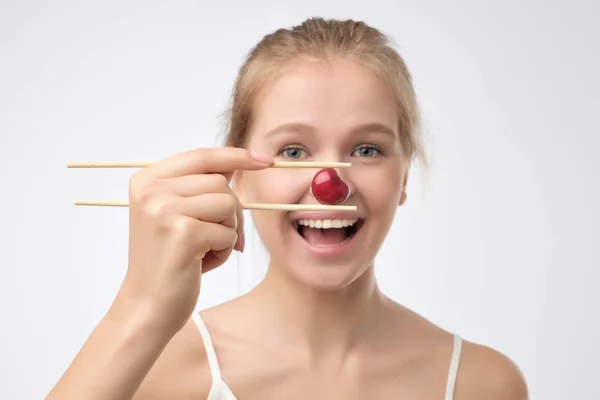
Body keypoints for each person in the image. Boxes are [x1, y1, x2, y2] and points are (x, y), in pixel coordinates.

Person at [48, 17, 528, 400]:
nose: (330, 187)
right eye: (294, 151)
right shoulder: (157, 371)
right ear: (235, 169)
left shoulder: (483, 384)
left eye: (366, 150)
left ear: (403, 176)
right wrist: (141, 307)